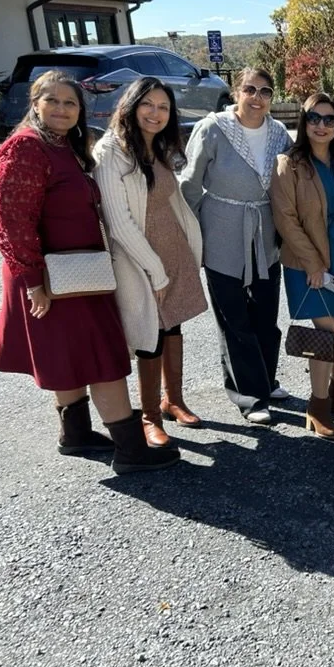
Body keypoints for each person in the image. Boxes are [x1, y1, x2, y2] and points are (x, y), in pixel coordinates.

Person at [0, 70, 178, 474]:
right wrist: (33, 282)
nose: (61, 109)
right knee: (101, 357)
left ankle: (74, 435)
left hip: (76, 274)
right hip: (54, 278)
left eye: (69, 102)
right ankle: (130, 451)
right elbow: (11, 222)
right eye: (51, 100)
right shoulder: (24, 148)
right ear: (34, 103)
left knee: (69, 356)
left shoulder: (62, 147)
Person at [93, 77, 208, 449]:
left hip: (171, 248)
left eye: (163, 107)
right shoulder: (112, 151)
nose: (155, 113)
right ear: (131, 104)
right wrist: (154, 268)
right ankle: (149, 418)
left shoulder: (157, 146)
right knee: (149, 334)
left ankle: (172, 400)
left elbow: (173, 200)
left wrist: (191, 247)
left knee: (172, 325)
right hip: (139, 257)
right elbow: (119, 221)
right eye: (148, 104)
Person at [180, 68, 293, 424]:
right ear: (236, 93)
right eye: (250, 90)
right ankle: (249, 397)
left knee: (265, 314)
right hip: (222, 229)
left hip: (264, 231)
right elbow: (190, 184)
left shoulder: (278, 135)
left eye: (265, 91)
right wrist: (193, 234)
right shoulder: (213, 129)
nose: (257, 97)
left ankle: (265, 379)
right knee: (234, 318)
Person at [270, 93, 334, 442]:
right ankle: (317, 405)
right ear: (303, 123)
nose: (321, 125)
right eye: (314, 118)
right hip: (310, 258)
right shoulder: (289, 164)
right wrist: (313, 263)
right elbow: (286, 220)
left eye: (329, 119)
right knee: (328, 330)